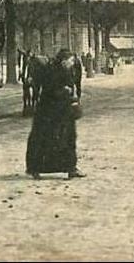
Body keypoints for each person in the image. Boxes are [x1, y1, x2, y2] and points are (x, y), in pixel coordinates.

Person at [25, 49, 85, 180]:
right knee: (47, 139)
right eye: (70, 61)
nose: (72, 63)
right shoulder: (51, 71)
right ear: (64, 61)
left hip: (63, 111)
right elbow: (48, 90)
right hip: (50, 113)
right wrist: (63, 91)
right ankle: (36, 168)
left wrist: (71, 96)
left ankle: (70, 168)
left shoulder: (65, 70)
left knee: (67, 139)